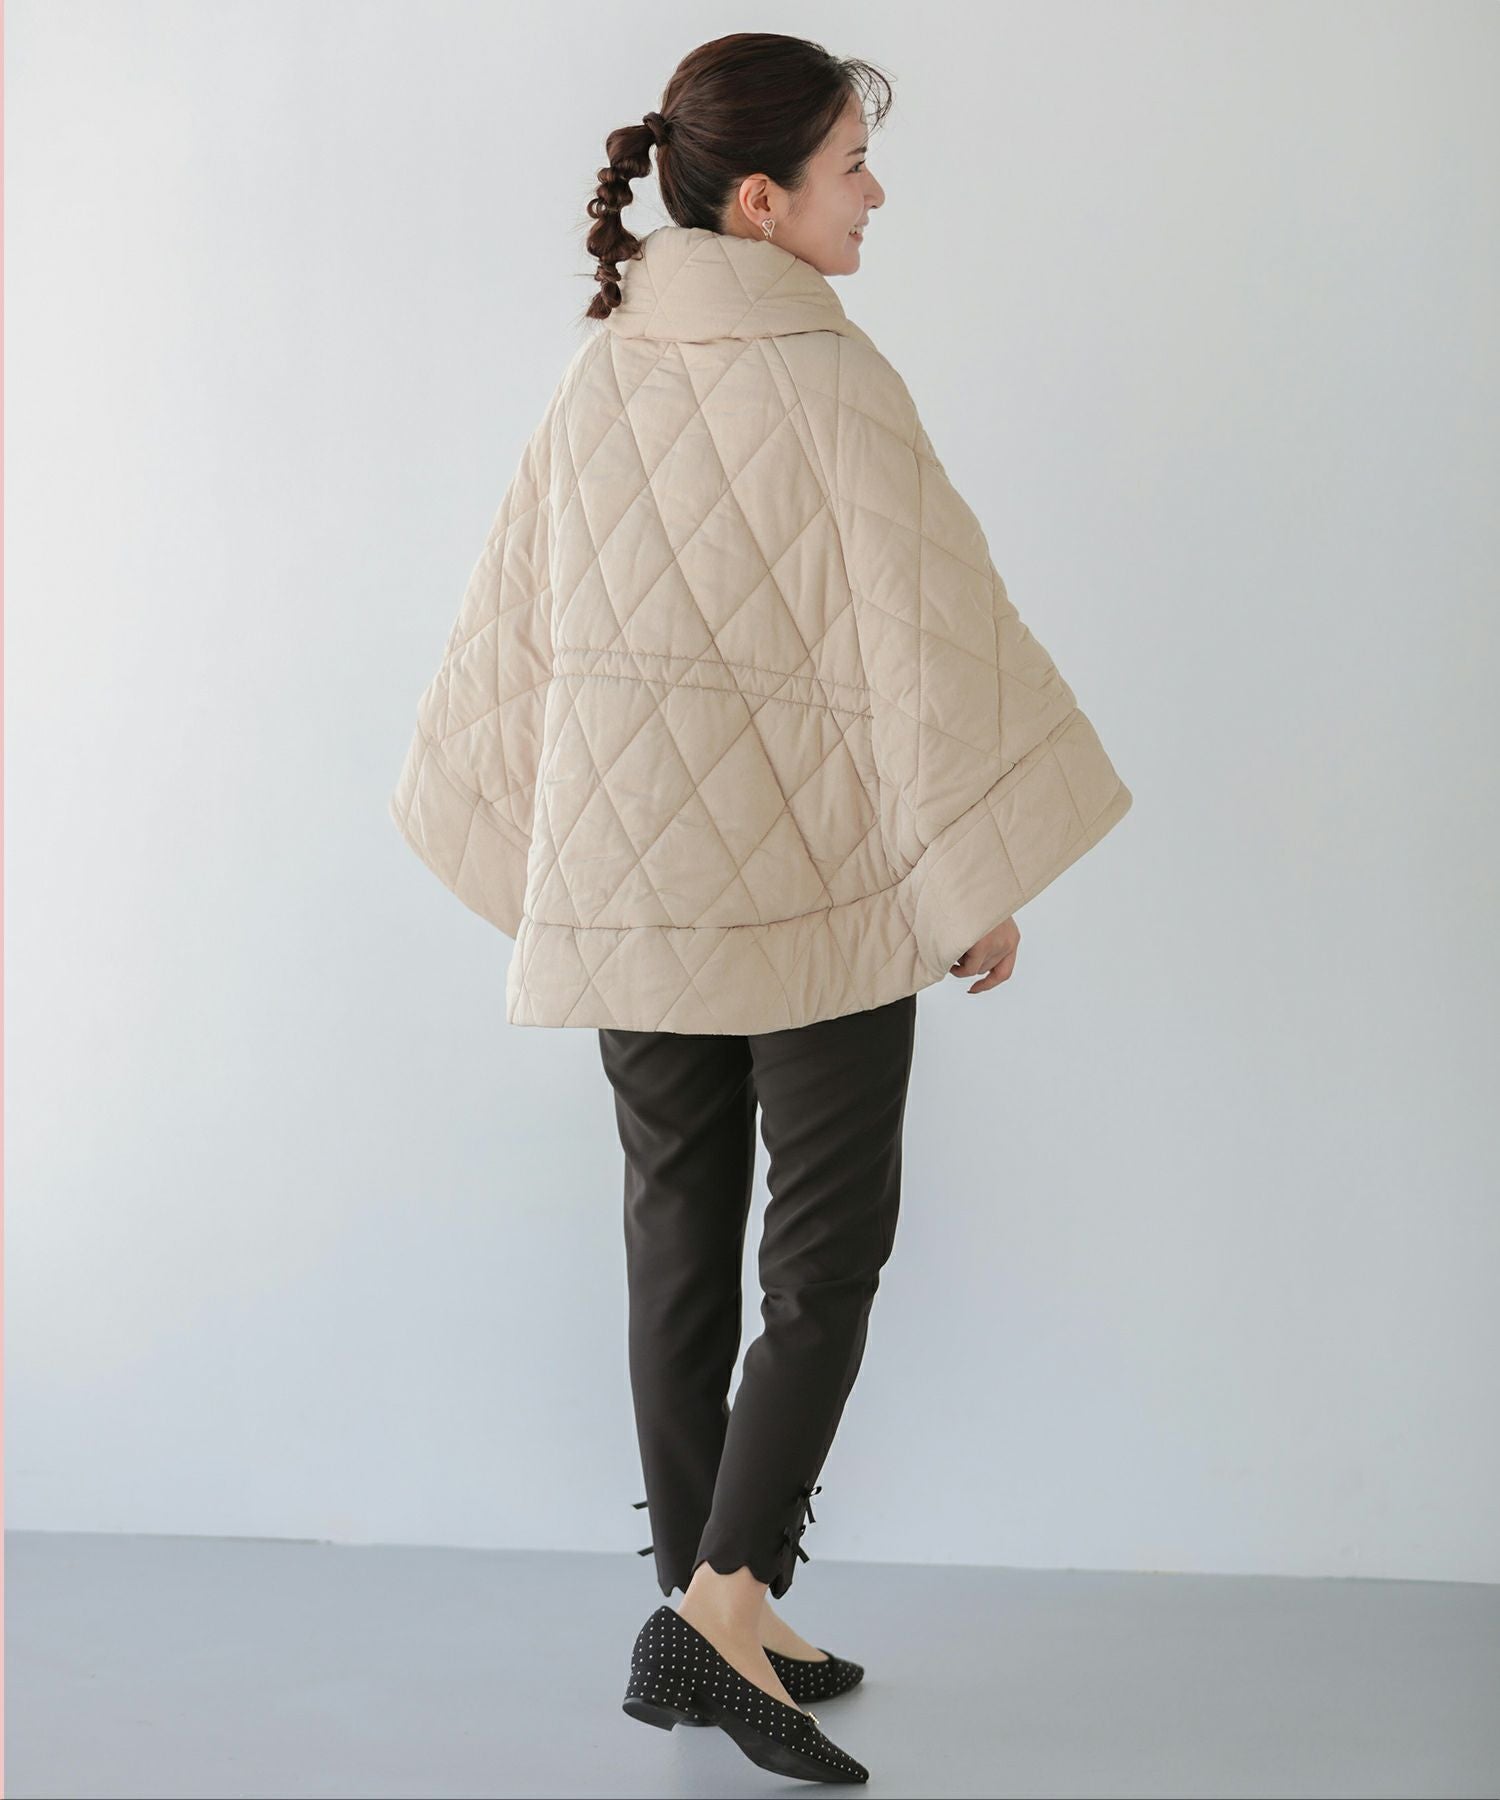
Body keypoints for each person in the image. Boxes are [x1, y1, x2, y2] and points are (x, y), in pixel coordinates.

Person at [390, 30, 1132, 1785]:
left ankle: (709, 1602)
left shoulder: (599, 376)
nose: (876, 195)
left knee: (675, 1242)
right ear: (759, 202)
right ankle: (724, 1610)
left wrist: (554, 861)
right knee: (823, 1255)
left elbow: (512, 644)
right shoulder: (829, 375)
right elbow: (927, 642)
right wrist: (968, 881)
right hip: (816, 895)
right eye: (850, 166)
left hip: (634, 894)